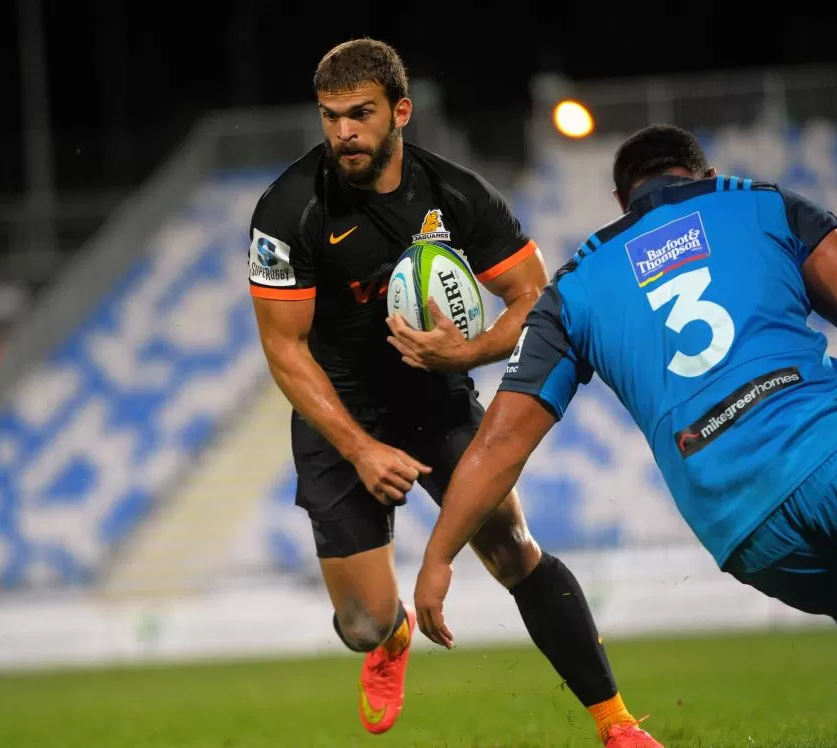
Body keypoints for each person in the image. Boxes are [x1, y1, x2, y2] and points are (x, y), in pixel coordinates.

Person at [412, 123, 837, 736]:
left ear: (619, 202)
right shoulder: (762, 203)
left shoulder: (574, 289)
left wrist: (439, 556)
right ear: (703, 174)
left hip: (749, 536)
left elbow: (500, 442)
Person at [247, 38, 661, 746]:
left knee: (513, 546)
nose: (343, 131)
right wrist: (360, 447)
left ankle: (617, 725)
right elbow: (283, 350)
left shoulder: (457, 195)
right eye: (329, 116)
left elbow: (533, 295)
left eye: (360, 113)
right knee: (361, 623)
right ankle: (392, 636)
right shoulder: (289, 208)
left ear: (399, 112)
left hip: (434, 400)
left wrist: (470, 351)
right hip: (338, 416)